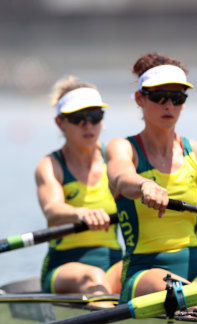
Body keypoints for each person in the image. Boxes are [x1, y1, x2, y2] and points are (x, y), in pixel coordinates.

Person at [106, 53, 197, 310]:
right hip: (143, 270)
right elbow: (120, 176)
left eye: (177, 98)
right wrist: (144, 186)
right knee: (188, 299)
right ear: (140, 98)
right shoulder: (123, 148)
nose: (169, 106)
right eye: (159, 97)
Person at [36, 76, 123, 304]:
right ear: (60, 122)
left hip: (114, 261)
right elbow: (52, 210)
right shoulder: (51, 165)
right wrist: (81, 213)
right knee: (93, 277)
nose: (88, 125)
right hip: (64, 267)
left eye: (95, 116)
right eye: (78, 118)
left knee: (154, 269)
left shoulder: (116, 161)